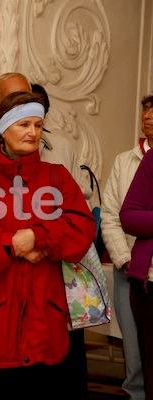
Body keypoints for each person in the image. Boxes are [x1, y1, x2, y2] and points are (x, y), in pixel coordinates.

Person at [0, 91, 95, 400]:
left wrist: (39, 237)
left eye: (38, 125)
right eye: (23, 124)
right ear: (1, 128)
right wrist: (14, 243)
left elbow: (81, 230)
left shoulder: (58, 178)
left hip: (45, 327)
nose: (33, 132)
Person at [0, 73, 92, 201]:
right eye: (12, 100)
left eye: (26, 97)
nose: (22, 104)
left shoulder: (63, 147)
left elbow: (81, 202)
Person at [100, 95, 151, 400]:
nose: (148, 114)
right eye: (146, 108)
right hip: (128, 269)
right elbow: (111, 215)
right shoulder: (125, 160)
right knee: (134, 356)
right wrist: (123, 258)